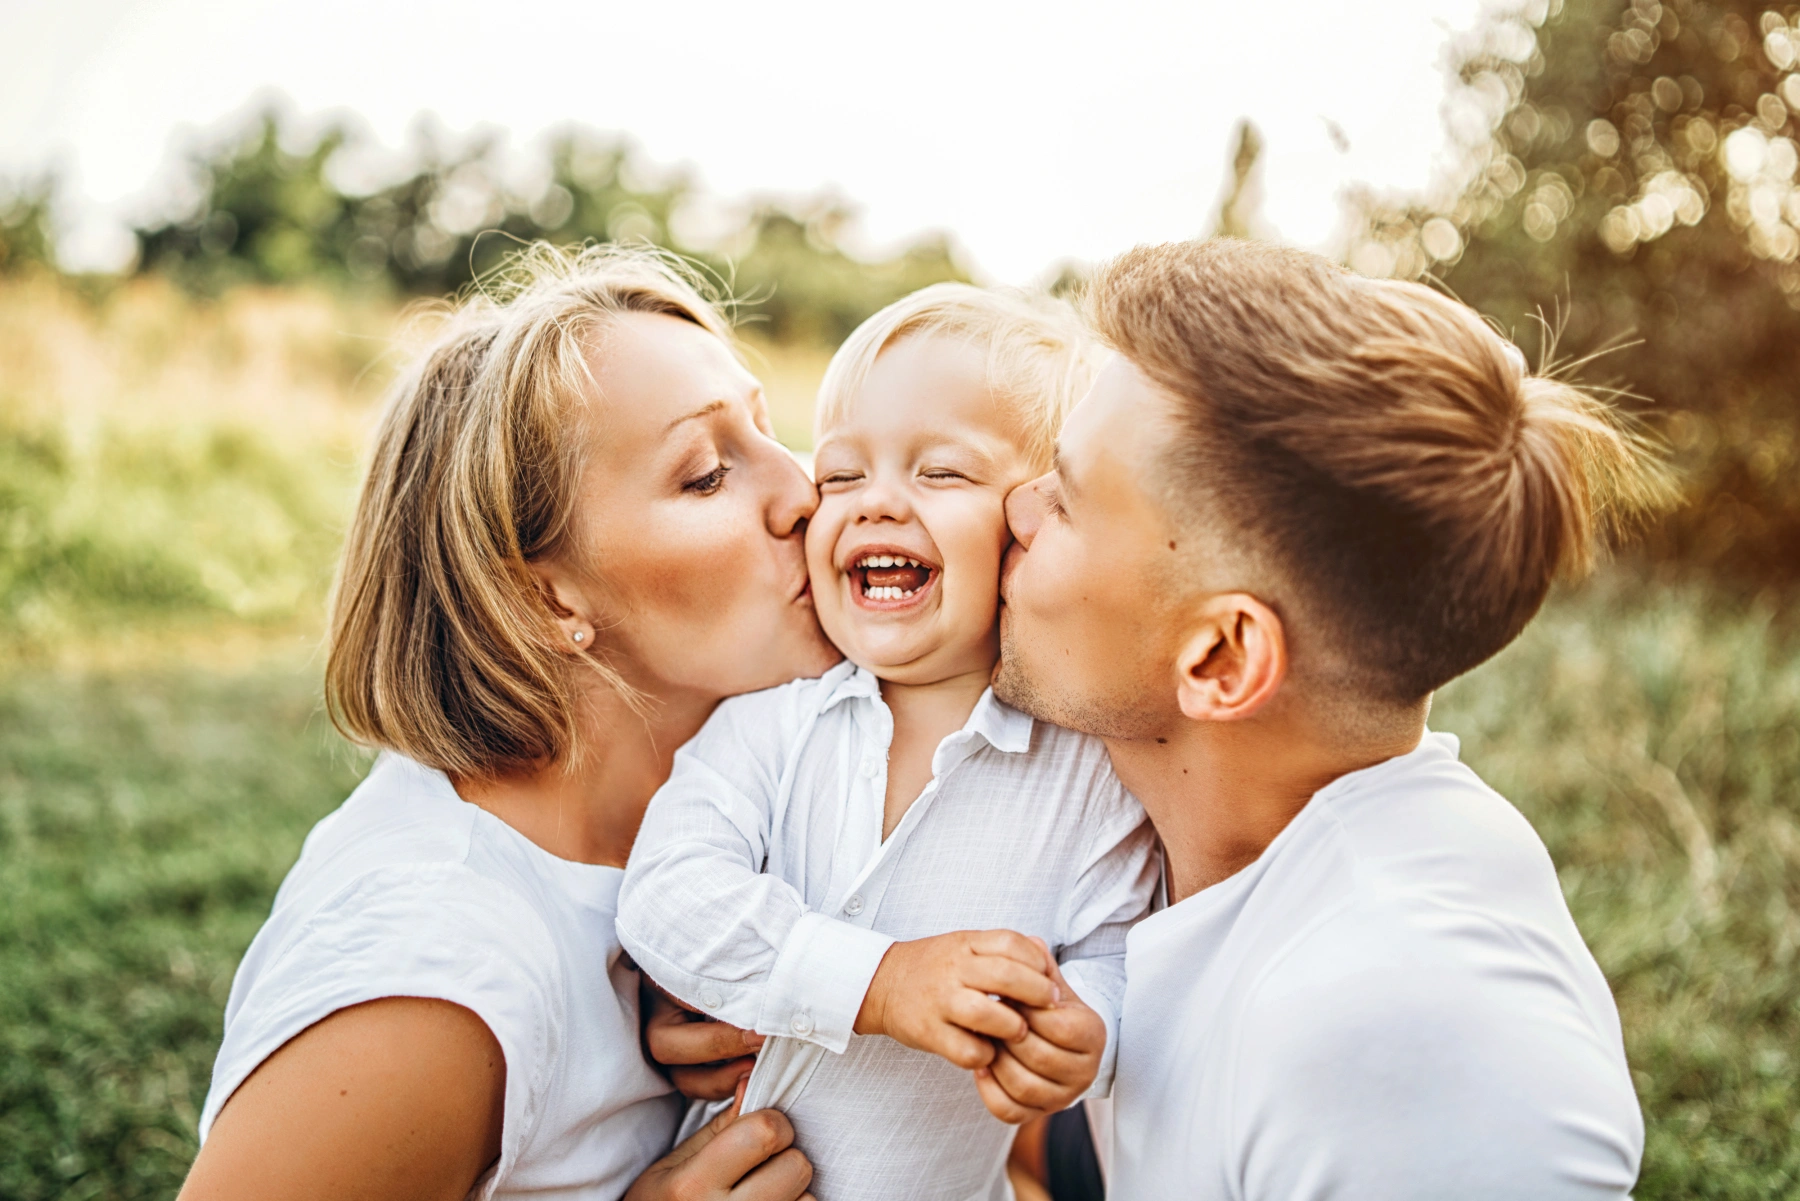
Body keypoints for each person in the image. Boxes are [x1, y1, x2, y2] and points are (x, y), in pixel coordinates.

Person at [993, 238, 1670, 1199]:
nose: (1014, 509)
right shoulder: (1186, 844)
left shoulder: (1411, 1040)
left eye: (1065, 499)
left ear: (1221, 659)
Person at [179, 246, 836, 1201]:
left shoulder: (714, 812)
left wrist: (698, 952)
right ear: (541, 599)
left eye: (771, 430)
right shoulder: (433, 979)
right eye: (704, 474)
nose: (806, 489)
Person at [617, 284, 1159, 1201]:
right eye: (840, 476)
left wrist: (1090, 1030)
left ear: (1035, 520)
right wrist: (881, 983)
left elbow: (1116, 952)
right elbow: (667, 898)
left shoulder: (1089, 770)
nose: (874, 504)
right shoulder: (776, 720)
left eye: (940, 471)